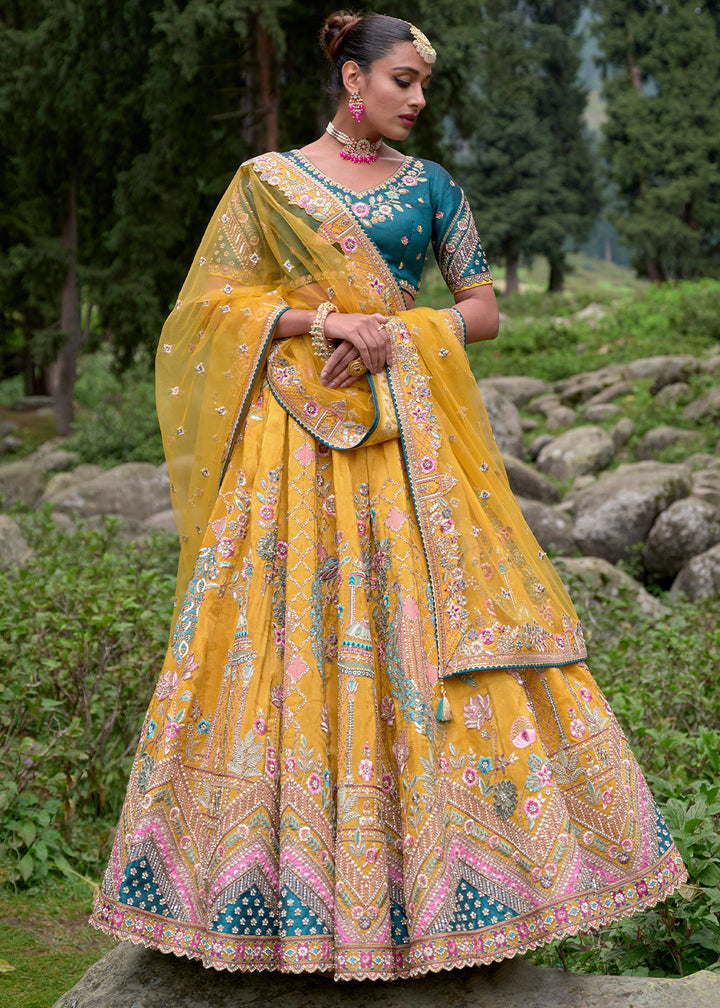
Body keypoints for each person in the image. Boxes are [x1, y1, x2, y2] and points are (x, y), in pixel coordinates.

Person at [90, 12, 685, 981]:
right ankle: (255, 899)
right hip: (294, 452)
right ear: (353, 80)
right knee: (283, 650)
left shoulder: (437, 191)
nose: (416, 99)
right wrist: (323, 317)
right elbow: (207, 311)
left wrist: (395, 334)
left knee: (431, 644)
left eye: (423, 86)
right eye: (402, 81)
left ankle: (450, 897)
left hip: (412, 449)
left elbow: (483, 310)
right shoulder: (268, 185)